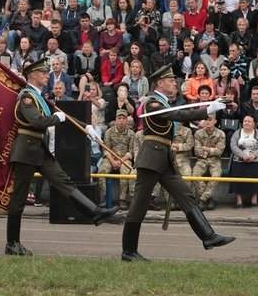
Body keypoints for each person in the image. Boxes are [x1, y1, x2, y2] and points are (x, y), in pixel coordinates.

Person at [6, 58, 120, 256]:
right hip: (25, 151)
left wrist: (85, 127)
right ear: (32, 75)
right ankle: (12, 243)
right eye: (42, 72)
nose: (45, 75)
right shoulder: (26, 97)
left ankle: (95, 213)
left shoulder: (39, 97)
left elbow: (63, 115)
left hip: (39, 150)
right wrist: (55, 119)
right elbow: (37, 121)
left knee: (63, 181)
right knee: (18, 199)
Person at [121, 64, 234, 262]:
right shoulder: (152, 104)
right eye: (171, 80)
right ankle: (128, 251)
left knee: (186, 195)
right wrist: (208, 108)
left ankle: (208, 236)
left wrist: (212, 105)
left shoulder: (164, 103)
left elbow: (178, 113)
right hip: (151, 159)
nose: (175, 83)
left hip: (165, 159)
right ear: (160, 83)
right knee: (139, 205)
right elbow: (178, 115)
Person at [98, 109, 135, 208]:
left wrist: (120, 161)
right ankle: (106, 198)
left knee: (125, 172)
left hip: (125, 158)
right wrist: (113, 161)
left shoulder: (131, 134)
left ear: (127, 120)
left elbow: (131, 152)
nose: (121, 120)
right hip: (111, 157)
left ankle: (122, 199)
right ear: (115, 119)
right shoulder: (109, 132)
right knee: (102, 171)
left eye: (124, 118)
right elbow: (106, 149)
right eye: (119, 118)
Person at [228, 114, 258, 208]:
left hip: (255, 160)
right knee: (236, 172)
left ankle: (254, 200)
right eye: (245, 121)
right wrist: (242, 155)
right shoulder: (237, 133)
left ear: (254, 124)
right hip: (239, 159)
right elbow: (233, 145)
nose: (247, 123)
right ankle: (239, 201)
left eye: (249, 121)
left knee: (256, 173)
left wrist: (254, 155)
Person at [192, 114, 225, 211]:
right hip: (202, 159)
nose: (208, 122)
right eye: (206, 120)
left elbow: (219, 151)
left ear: (215, 121)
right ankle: (209, 198)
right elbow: (197, 151)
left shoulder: (220, 134)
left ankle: (202, 200)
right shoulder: (198, 133)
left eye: (210, 120)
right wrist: (212, 150)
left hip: (215, 160)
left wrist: (206, 149)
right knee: (195, 174)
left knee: (216, 175)